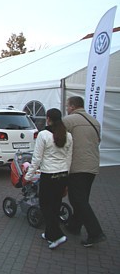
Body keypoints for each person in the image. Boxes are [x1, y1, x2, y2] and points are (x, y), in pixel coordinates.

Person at [25, 108, 72, 249]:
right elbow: (69, 158)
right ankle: (49, 233)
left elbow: (37, 158)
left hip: (49, 175)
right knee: (56, 204)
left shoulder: (43, 135)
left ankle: (57, 235)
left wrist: (28, 176)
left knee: (45, 206)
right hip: (63, 174)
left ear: (48, 118)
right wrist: (67, 177)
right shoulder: (68, 135)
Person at [63, 96, 106, 247]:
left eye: (68, 106)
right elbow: (97, 141)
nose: (67, 108)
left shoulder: (69, 120)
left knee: (77, 199)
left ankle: (95, 233)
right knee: (82, 198)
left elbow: (57, 139)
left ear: (73, 106)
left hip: (78, 166)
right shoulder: (95, 122)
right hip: (92, 166)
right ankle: (74, 226)